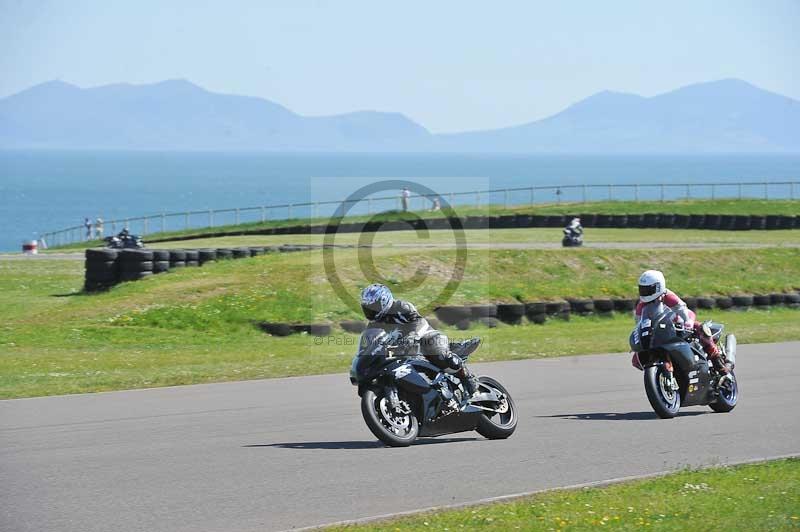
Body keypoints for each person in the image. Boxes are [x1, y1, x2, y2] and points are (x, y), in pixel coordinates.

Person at [360, 283, 480, 397]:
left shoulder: (401, 307)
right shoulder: (373, 325)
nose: (370, 311)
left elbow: (419, 323)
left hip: (426, 338)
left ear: (384, 302)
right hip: (403, 351)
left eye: (373, 307)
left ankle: (468, 378)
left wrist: (412, 336)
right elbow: (370, 344)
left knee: (438, 353)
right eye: (367, 308)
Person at [634, 270, 728, 374]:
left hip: (677, 327)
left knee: (701, 327)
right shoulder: (641, 306)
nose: (644, 293)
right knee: (636, 359)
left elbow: (684, 311)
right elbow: (640, 325)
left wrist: (688, 322)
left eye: (648, 289)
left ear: (658, 287)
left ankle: (716, 358)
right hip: (659, 333)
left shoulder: (668, 297)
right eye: (642, 289)